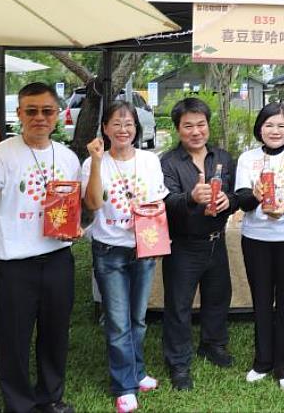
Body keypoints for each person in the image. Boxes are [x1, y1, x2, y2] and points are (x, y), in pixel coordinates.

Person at [0, 82, 81, 413]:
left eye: (47, 110)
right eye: (30, 111)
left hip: (58, 259)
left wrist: (73, 228)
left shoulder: (67, 156)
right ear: (19, 113)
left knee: (55, 334)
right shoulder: (3, 152)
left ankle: (50, 397)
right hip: (15, 264)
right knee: (13, 340)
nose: (39, 117)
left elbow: (71, 207)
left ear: (58, 115)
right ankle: (19, 404)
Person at [82, 101, 169, 413]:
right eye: (116, 124)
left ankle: (137, 371)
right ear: (105, 128)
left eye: (129, 124)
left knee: (138, 319)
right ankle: (124, 386)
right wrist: (94, 162)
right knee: (118, 323)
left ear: (137, 129)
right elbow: (92, 204)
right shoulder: (95, 161)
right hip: (109, 251)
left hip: (143, 248)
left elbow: (159, 203)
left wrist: (156, 239)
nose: (123, 129)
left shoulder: (149, 160)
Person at [160, 97, 238, 391]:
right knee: (179, 305)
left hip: (216, 241)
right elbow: (166, 202)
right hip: (183, 244)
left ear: (208, 125)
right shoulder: (168, 162)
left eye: (201, 124)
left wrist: (227, 200)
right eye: (188, 126)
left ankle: (213, 344)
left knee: (218, 296)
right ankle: (178, 362)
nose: (196, 131)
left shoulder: (223, 158)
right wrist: (191, 197)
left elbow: (236, 196)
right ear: (178, 129)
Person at [234, 102, 284, 392]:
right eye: (269, 125)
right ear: (260, 128)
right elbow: (242, 202)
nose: (275, 130)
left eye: (281, 125)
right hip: (255, 239)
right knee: (262, 301)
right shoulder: (247, 159)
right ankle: (262, 361)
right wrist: (255, 195)